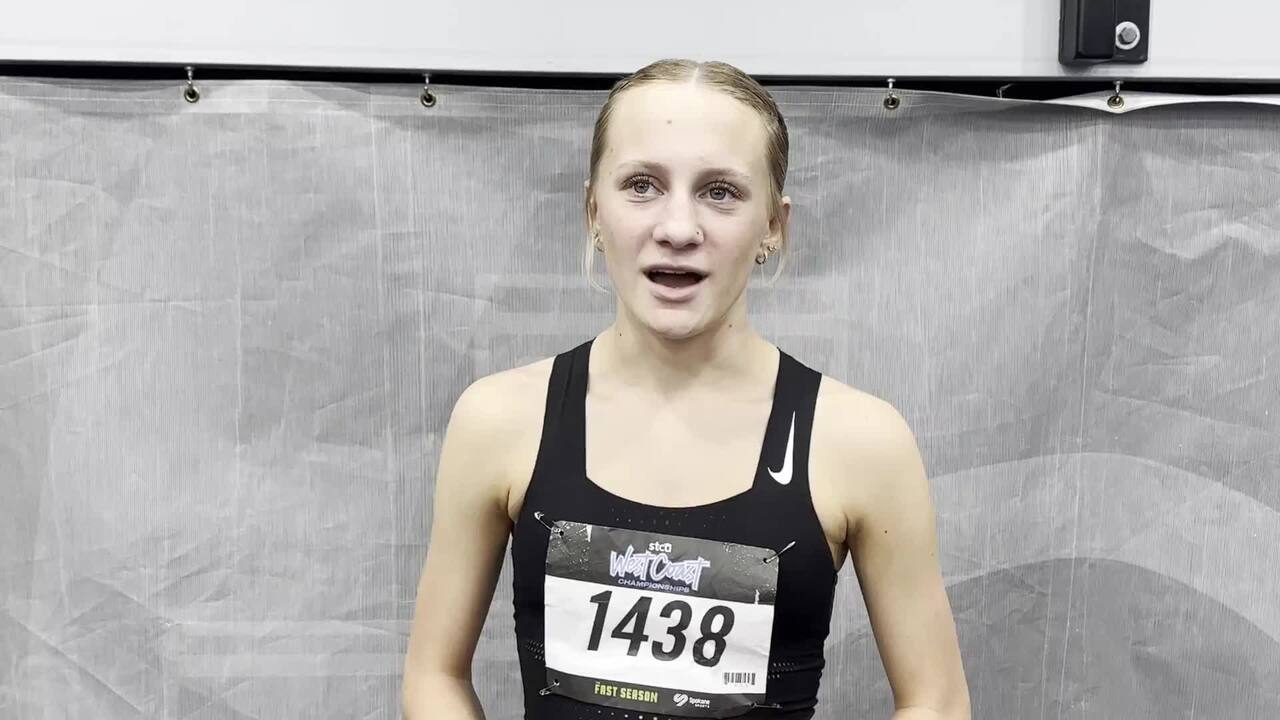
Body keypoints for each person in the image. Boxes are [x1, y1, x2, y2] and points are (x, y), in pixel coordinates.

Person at [401, 58, 971, 720]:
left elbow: (936, 701)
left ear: (774, 226)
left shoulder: (862, 443)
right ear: (593, 211)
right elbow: (433, 675)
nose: (678, 229)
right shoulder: (500, 420)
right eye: (641, 185)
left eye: (720, 192)